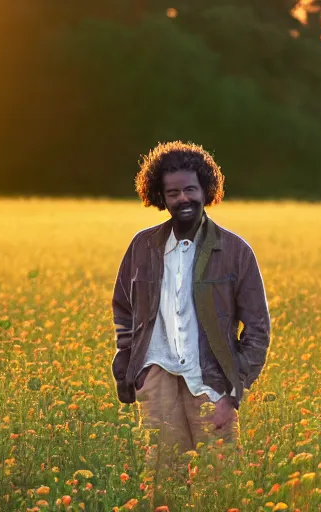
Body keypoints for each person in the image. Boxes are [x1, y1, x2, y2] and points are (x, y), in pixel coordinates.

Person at [112, 141, 270, 457]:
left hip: (211, 382)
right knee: (163, 484)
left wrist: (232, 392)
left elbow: (257, 330)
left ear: (205, 190)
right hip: (157, 378)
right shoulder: (142, 247)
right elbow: (124, 310)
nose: (183, 198)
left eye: (190, 189)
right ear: (161, 196)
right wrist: (134, 370)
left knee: (217, 480)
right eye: (173, 193)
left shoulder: (236, 252)